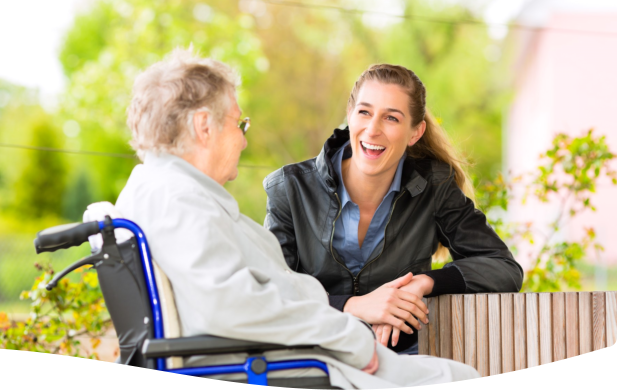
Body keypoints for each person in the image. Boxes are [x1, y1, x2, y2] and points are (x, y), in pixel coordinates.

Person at [114, 50, 479, 388]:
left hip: (297, 358)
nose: (242, 142)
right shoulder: (176, 201)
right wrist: (353, 339)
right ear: (204, 126)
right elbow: (232, 307)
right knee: (457, 375)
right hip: (292, 368)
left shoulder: (169, 193)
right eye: (237, 125)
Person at [263, 64, 523, 354]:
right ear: (350, 115)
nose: (373, 129)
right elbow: (270, 289)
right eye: (364, 112)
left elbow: (503, 269)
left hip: (402, 360)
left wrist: (423, 284)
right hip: (313, 357)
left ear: (415, 132)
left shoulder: (434, 187)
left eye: (391, 118)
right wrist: (353, 306)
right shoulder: (290, 188)